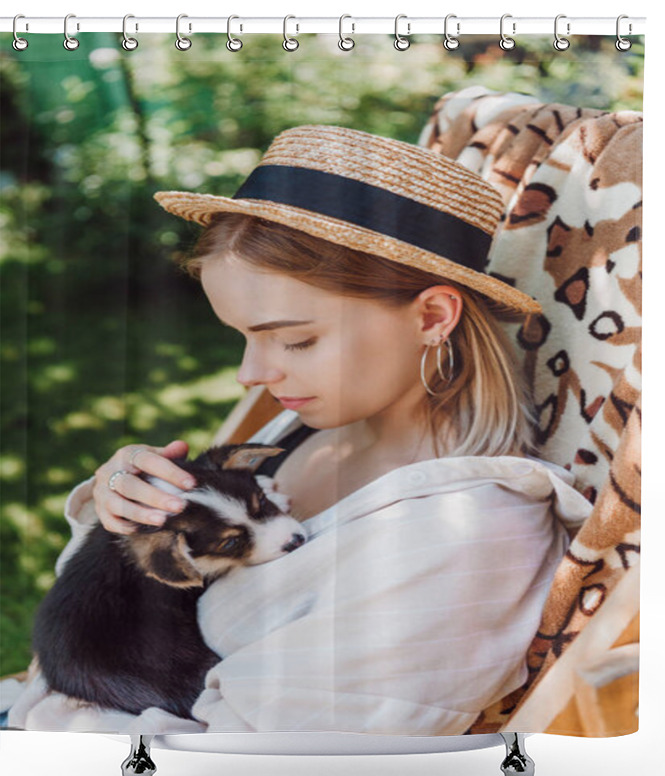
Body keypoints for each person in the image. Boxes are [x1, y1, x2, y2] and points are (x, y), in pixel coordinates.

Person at [5, 125, 592, 735]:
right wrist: (123, 525)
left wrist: (47, 726)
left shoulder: (466, 540)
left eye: (296, 339)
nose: (250, 375)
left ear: (433, 317)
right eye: (244, 336)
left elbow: (264, 765)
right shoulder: (309, 431)